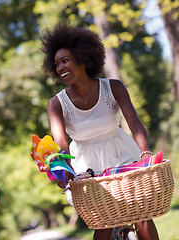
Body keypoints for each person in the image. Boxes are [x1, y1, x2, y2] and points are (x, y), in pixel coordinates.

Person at [40, 24, 159, 240]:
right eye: (56, 64)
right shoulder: (56, 104)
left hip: (122, 154)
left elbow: (134, 124)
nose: (59, 67)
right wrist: (63, 171)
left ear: (83, 59)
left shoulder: (113, 88)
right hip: (86, 165)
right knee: (103, 223)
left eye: (65, 60)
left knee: (142, 213)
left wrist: (146, 153)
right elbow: (61, 146)